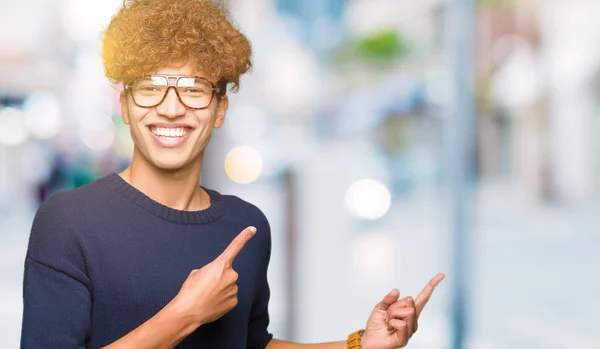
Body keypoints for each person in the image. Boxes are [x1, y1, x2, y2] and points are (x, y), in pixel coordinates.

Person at [20, 0, 444, 348]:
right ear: (126, 105)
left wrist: (358, 345)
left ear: (220, 109)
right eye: (150, 87)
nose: (171, 107)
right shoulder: (68, 221)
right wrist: (185, 314)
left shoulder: (246, 226)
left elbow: (252, 345)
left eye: (194, 89)